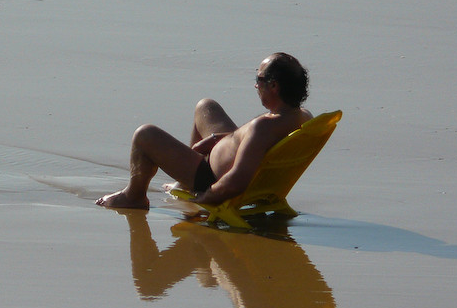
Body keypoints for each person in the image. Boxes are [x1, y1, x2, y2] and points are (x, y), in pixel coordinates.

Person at [96, 53, 312, 210]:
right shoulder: (302, 117)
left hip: (209, 177)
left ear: (274, 86)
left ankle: (133, 196)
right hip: (241, 160)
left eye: (259, 80)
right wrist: (225, 139)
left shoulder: (263, 127)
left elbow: (238, 179)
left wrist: (205, 198)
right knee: (206, 107)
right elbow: (259, 144)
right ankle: (183, 182)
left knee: (144, 135)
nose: (256, 86)